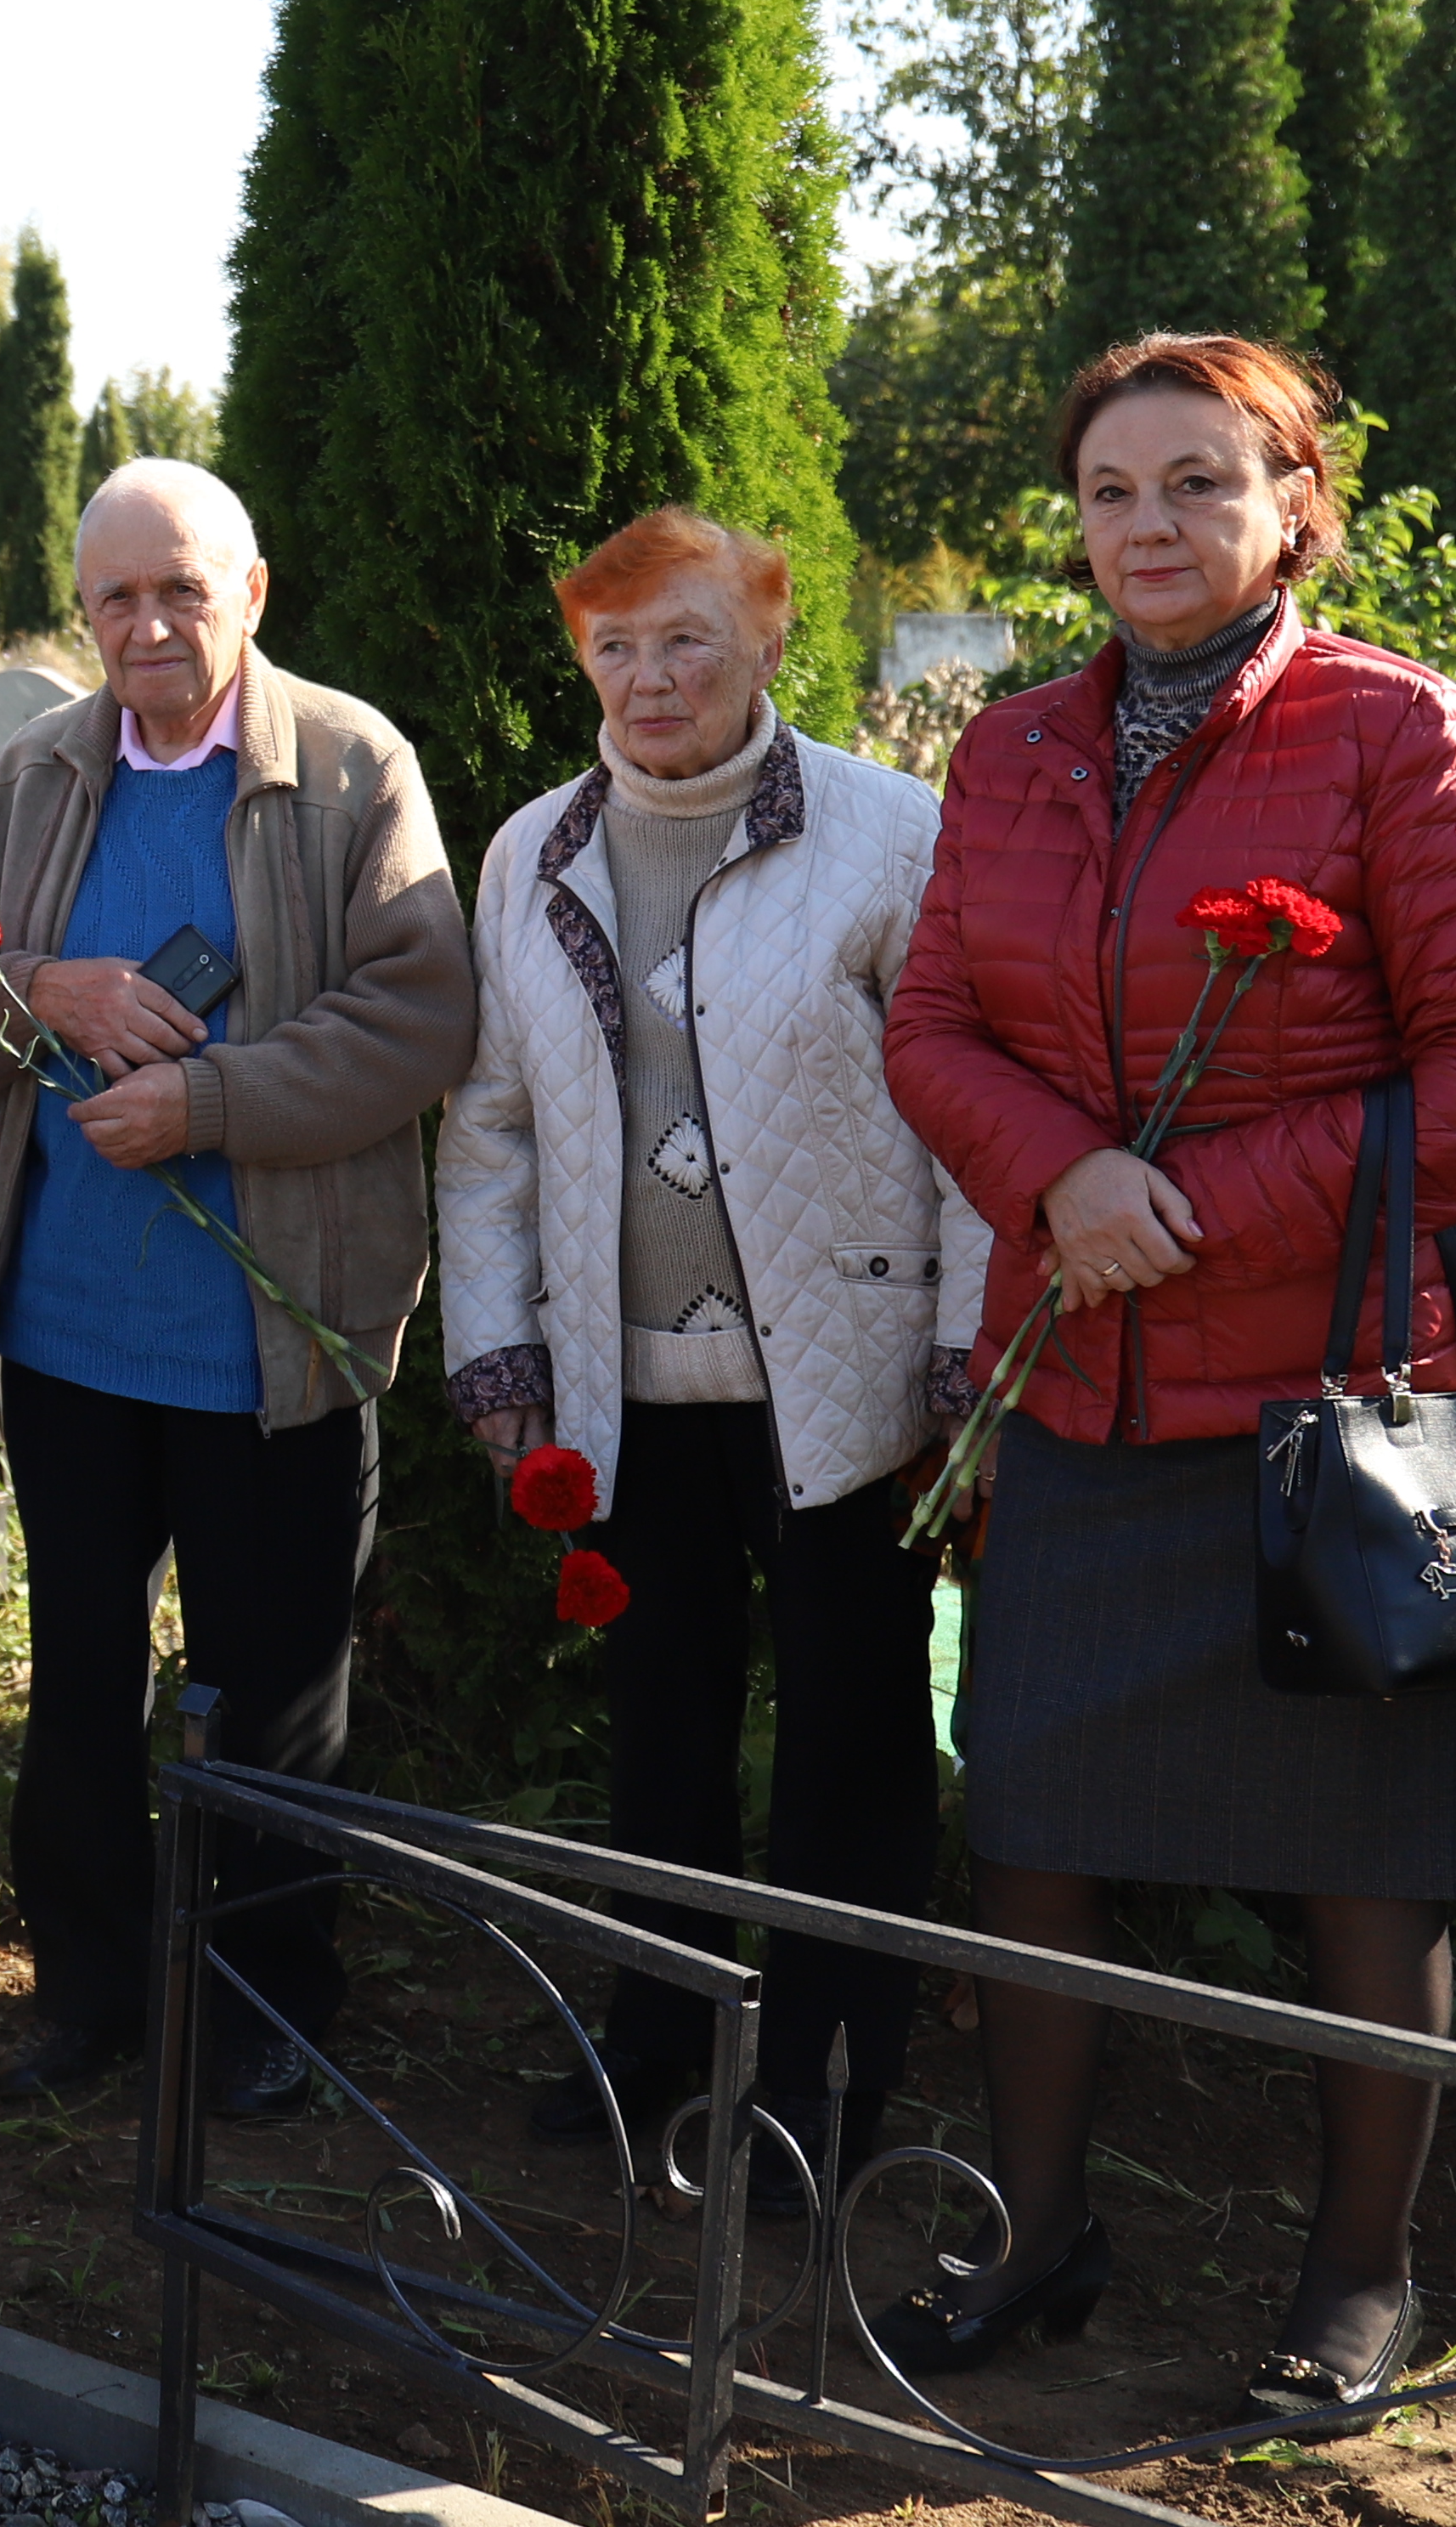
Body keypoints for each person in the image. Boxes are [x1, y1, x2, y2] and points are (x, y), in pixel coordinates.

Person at [882, 334, 1456, 2429]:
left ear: (1292, 501)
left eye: (1200, 480)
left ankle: (1362, 2277)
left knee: (1370, 1863)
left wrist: (1177, 1205)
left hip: (1346, 1413)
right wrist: (1063, 1179)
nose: (1152, 524)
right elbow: (931, 1029)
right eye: (1112, 489)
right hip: (1085, 1395)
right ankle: (1036, 2232)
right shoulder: (1006, 752)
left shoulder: (1394, 730)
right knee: (1038, 1835)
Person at [0, 458, 478, 2121]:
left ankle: (266, 2000)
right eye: (115, 598)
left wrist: (207, 1103)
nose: (147, 625)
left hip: (270, 1341)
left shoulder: (351, 765)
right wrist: (41, 992)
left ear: (254, 594)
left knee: (276, 1686)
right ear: (82, 614)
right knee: (80, 1674)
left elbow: (416, 1021)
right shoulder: (34, 776)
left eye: (182, 591)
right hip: (71, 1332)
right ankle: (84, 1984)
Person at [432, 506, 985, 2206]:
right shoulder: (533, 849)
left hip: (845, 1384)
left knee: (850, 1735)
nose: (653, 676)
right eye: (618, 645)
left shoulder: (893, 833)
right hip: (622, 1391)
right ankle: (657, 2029)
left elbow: (971, 1116)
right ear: (580, 657)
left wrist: (966, 1359)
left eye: (688, 638)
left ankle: (828, 2076)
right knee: (657, 1722)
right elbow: (493, 1123)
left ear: (765, 639)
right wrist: (499, 1347)